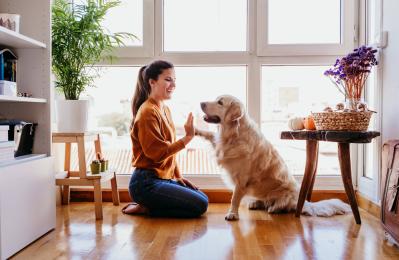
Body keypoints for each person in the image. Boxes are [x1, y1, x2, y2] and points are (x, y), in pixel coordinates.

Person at [122, 60, 208, 217]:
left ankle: (149, 205)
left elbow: (169, 152)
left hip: (163, 178)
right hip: (145, 183)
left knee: (203, 198)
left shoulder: (164, 108)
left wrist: (178, 176)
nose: (173, 85)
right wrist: (188, 138)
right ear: (152, 82)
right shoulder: (147, 112)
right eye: (168, 79)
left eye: (174, 80)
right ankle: (146, 207)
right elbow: (157, 154)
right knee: (200, 205)